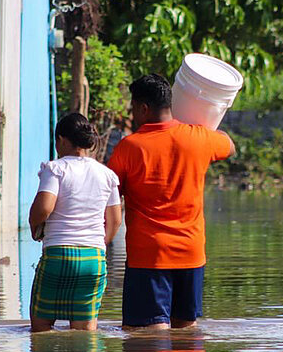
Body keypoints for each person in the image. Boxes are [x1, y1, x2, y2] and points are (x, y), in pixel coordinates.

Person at [107, 74, 234, 330]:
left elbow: (108, 194)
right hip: (191, 253)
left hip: (148, 256)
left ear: (144, 108)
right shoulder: (200, 138)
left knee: (147, 334)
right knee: (186, 330)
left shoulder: (129, 148)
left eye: (133, 108)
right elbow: (229, 146)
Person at [28, 112, 122, 332]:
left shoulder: (56, 169)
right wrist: (99, 245)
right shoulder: (106, 174)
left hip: (58, 256)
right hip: (94, 260)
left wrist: (34, 226)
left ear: (61, 140)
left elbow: (44, 207)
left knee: (41, 327)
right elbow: (116, 220)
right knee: (85, 330)